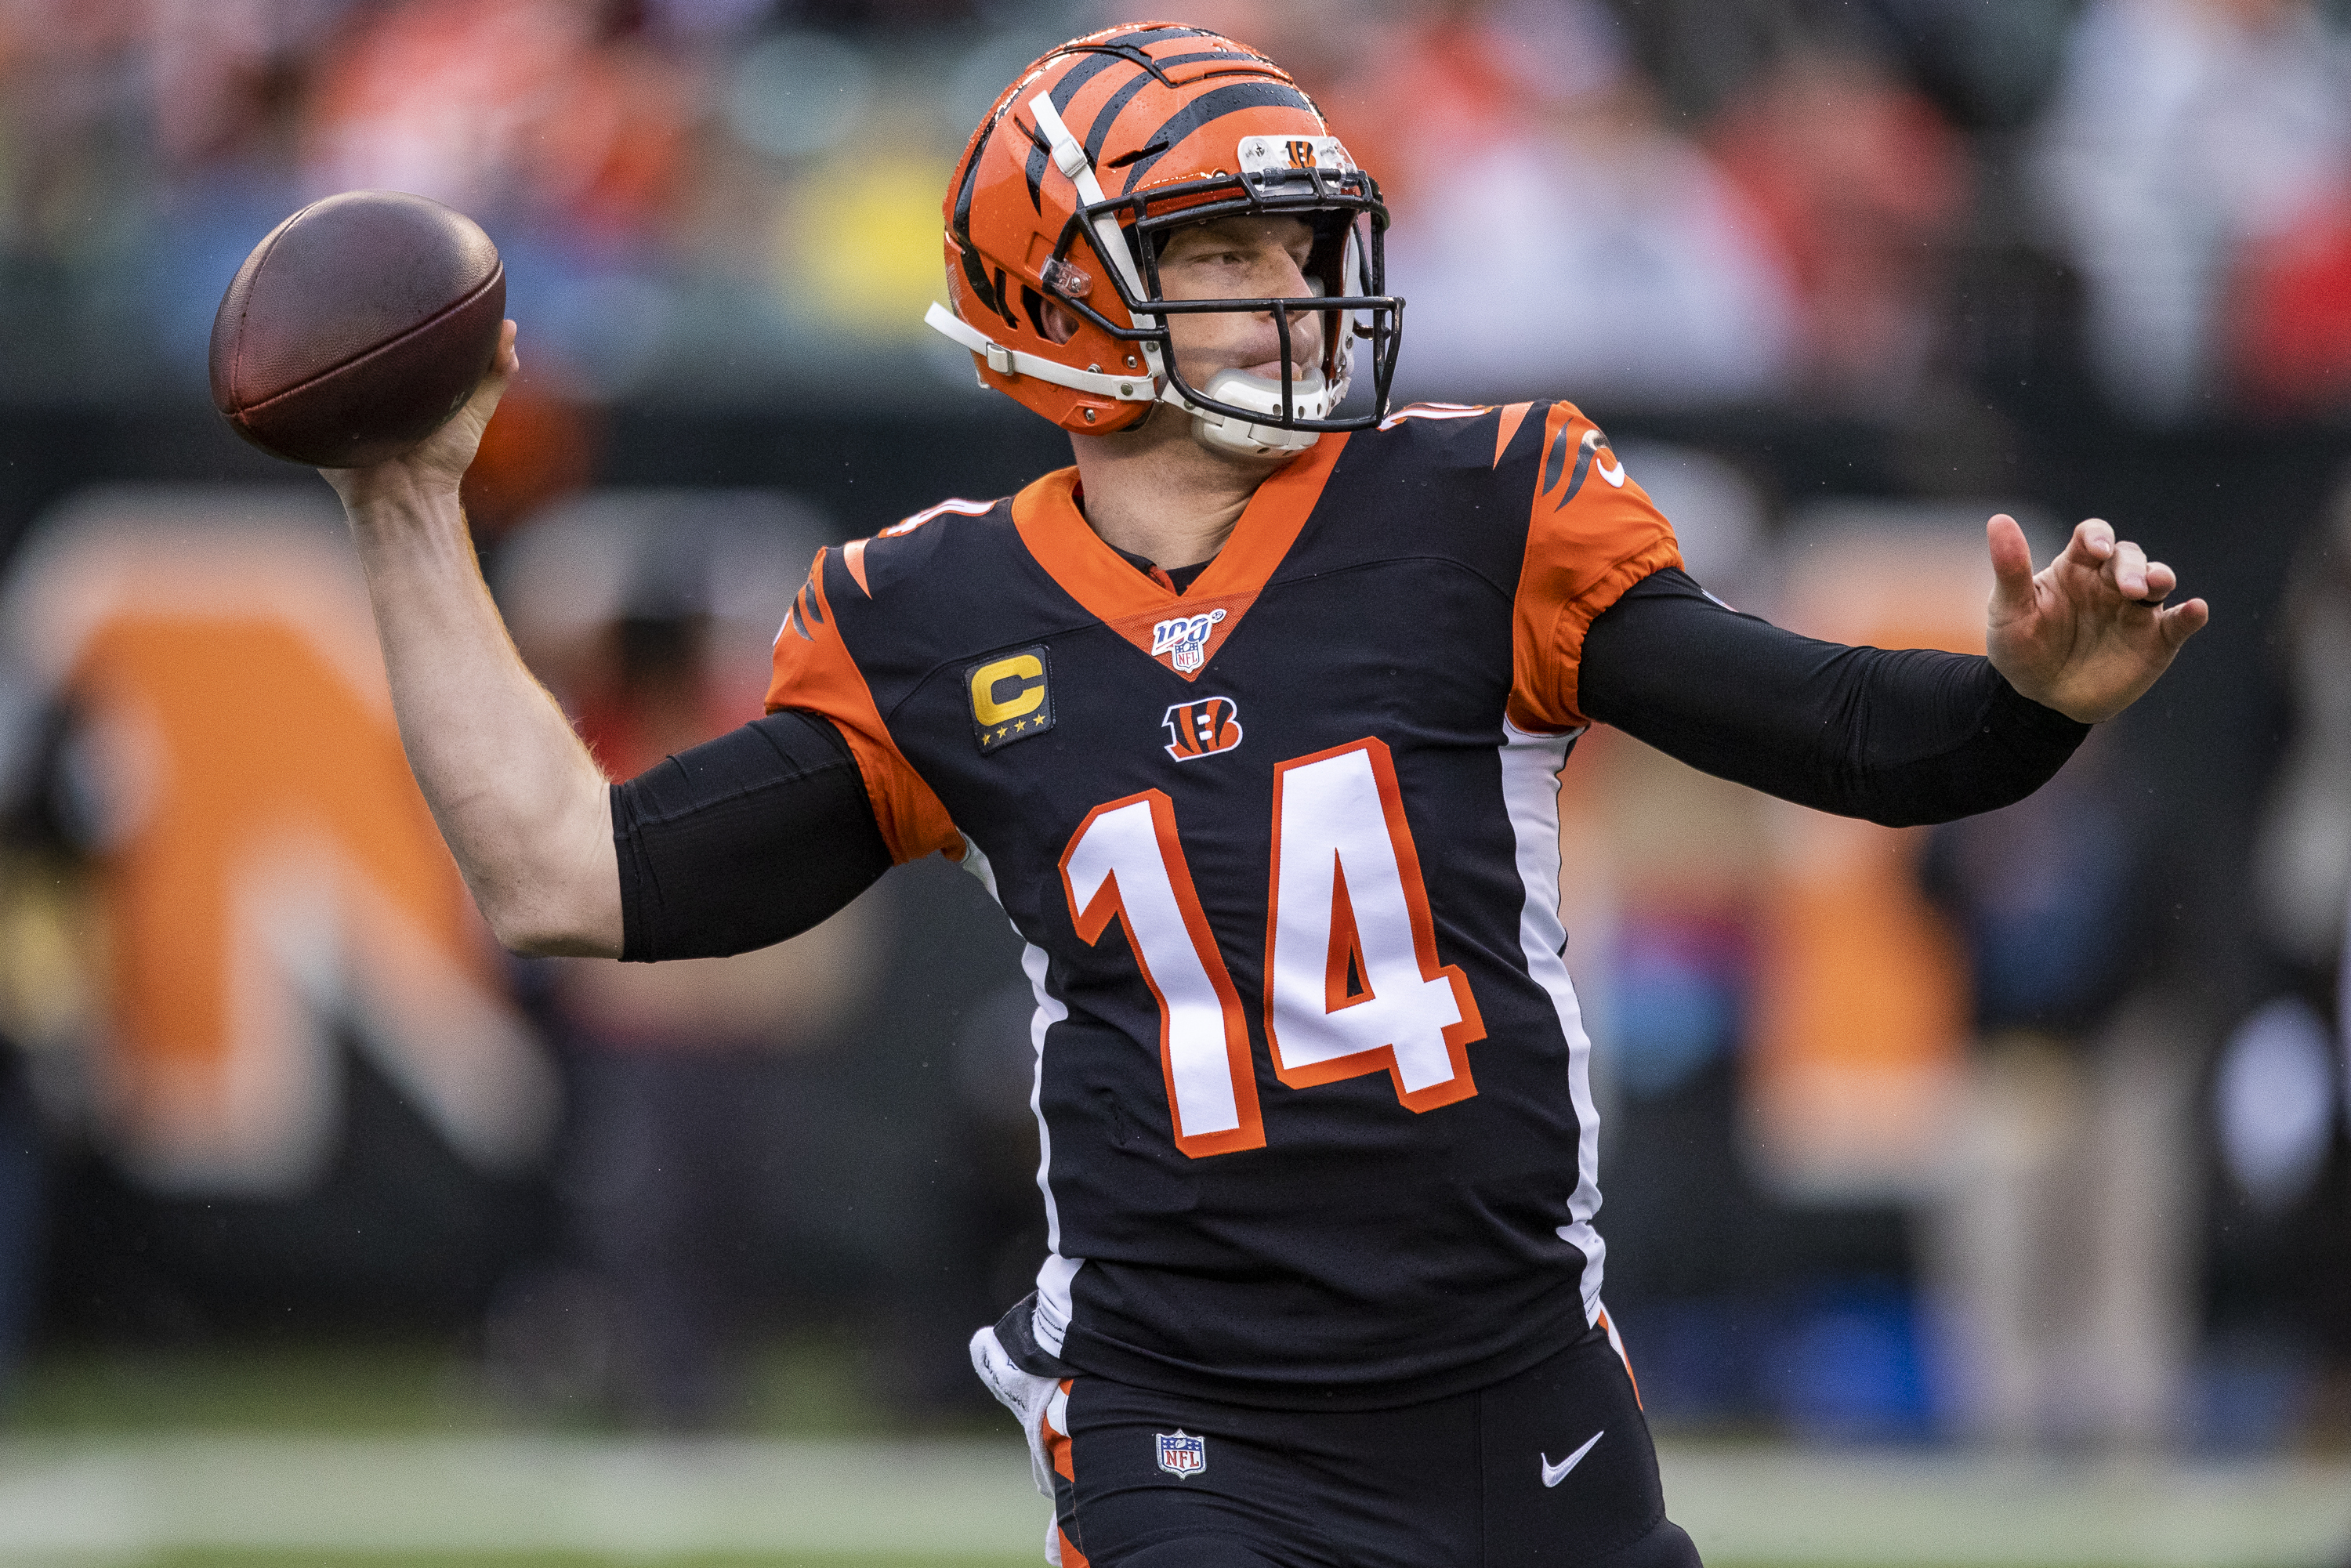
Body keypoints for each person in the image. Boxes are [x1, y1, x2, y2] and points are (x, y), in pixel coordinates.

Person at [321, 23, 2208, 1568]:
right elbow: (574, 874)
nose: (1290, 289)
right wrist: (405, 507)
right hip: (1193, 1423)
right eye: (1221, 249)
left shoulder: (1479, 512)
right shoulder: (936, 612)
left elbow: (1851, 738)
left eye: (1298, 245)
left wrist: (2024, 700)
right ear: (1058, 292)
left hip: (1521, 1393)